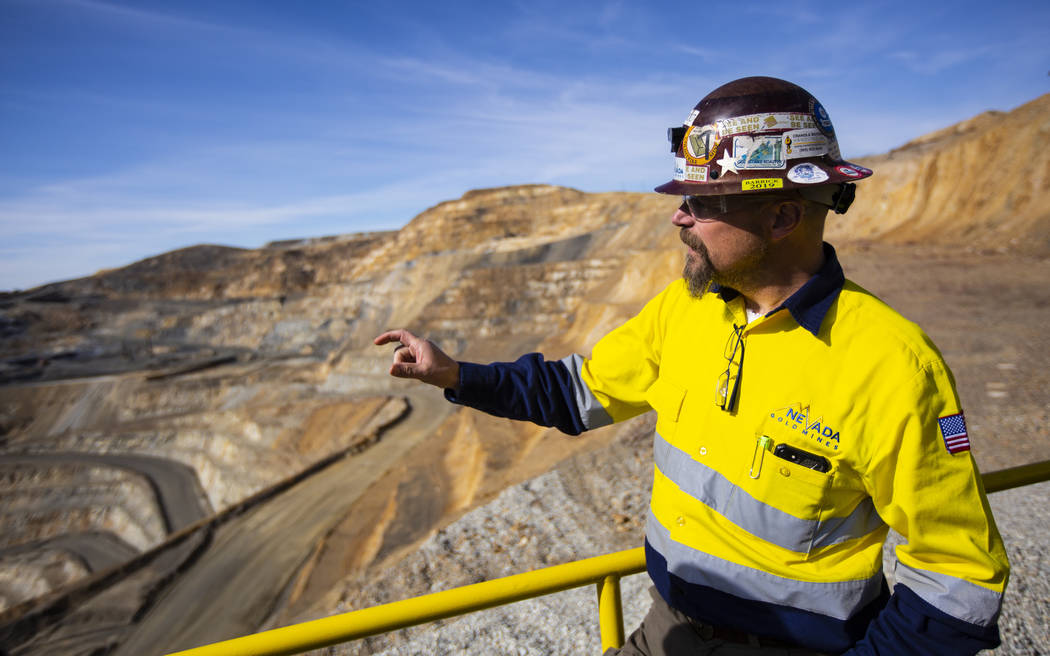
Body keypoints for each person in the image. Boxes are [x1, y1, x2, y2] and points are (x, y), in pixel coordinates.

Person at [374, 77, 1009, 655]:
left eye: (702, 204)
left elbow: (959, 578)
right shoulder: (686, 308)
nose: (679, 216)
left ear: (783, 215)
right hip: (667, 630)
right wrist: (456, 374)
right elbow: (579, 392)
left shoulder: (892, 365)